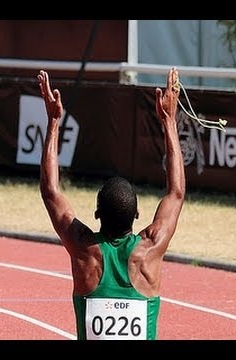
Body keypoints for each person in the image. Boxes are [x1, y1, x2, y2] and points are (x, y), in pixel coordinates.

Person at [37, 67, 185, 340]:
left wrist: (54, 122)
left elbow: (50, 192)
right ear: (137, 215)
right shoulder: (149, 250)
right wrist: (169, 121)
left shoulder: (85, 252)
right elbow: (176, 193)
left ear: (96, 214)